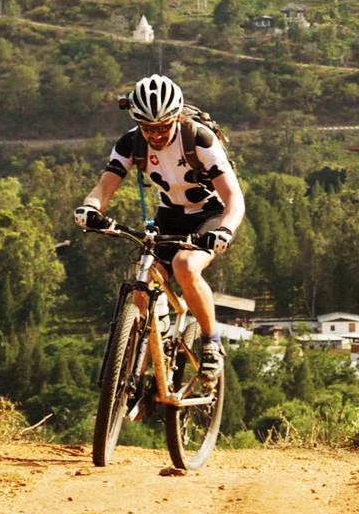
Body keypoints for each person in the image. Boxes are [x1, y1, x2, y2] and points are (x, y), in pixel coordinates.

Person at [73, 75, 244, 382]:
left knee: (185, 265)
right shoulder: (131, 142)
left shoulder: (199, 139)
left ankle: (211, 343)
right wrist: (90, 208)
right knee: (144, 272)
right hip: (170, 214)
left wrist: (225, 232)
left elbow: (233, 196)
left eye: (163, 126)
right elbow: (105, 186)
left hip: (210, 215)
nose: (155, 134)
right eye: (147, 127)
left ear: (176, 117)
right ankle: (158, 341)